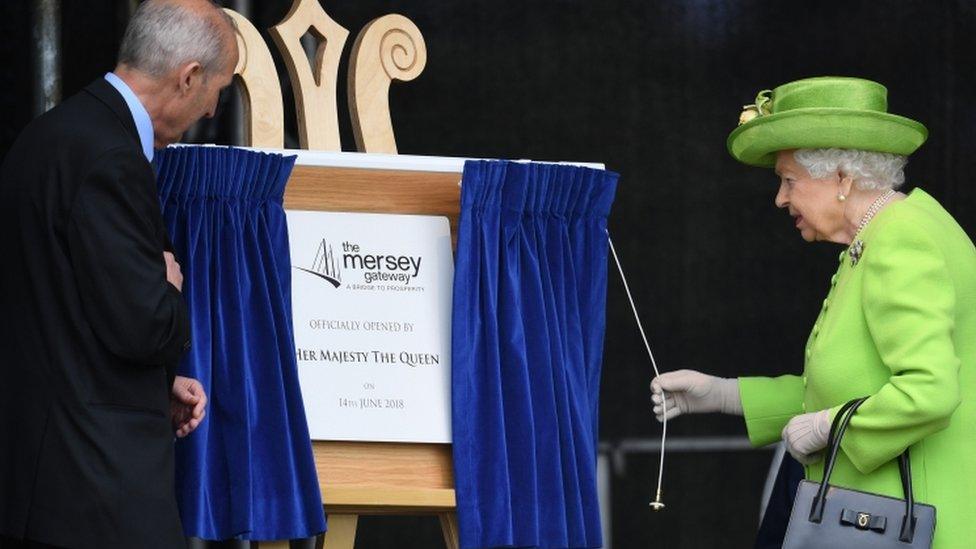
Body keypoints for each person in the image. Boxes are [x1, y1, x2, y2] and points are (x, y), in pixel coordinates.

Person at [651, 77, 976, 548]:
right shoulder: (879, 237)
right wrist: (723, 396)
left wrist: (828, 427)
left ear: (842, 179)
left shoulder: (902, 241)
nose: (781, 199)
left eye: (789, 181)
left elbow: (928, 391)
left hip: (901, 523)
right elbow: (853, 388)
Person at [0, 1, 238, 547]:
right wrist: (170, 287)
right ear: (189, 77)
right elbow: (144, 327)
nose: (210, 111)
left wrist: (155, 386)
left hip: (45, 479)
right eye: (217, 90)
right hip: (92, 492)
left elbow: (65, 316)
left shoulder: (50, 135)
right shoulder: (111, 156)